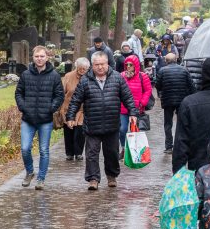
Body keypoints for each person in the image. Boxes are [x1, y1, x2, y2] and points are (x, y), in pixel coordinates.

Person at [66, 52, 137, 190]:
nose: (100, 67)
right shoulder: (85, 80)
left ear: (107, 64)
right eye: (97, 65)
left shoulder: (117, 78)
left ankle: (111, 176)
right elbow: (75, 100)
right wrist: (70, 116)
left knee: (112, 153)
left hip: (112, 124)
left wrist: (133, 113)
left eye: (102, 64)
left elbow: (127, 97)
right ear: (92, 66)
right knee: (92, 153)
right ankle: (93, 179)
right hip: (92, 124)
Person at [14, 45, 65, 190]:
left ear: (47, 57)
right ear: (33, 58)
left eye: (42, 56)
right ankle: (30, 172)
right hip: (28, 119)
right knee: (25, 148)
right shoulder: (26, 74)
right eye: (37, 56)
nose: (39, 59)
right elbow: (18, 93)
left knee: (44, 150)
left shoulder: (54, 75)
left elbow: (59, 95)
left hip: (45, 120)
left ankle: (41, 178)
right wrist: (23, 107)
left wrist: (51, 108)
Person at [154, 52, 195, 152]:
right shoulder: (184, 70)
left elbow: (157, 85)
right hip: (182, 100)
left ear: (166, 61)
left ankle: (169, 146)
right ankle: (180, 145)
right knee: (181, 122)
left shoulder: (162, 71)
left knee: (168, 124)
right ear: (176, 59)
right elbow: (191, 85)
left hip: (168, 100)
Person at [54, 57, 89, 161]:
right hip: (68, 108)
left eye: (84, 69)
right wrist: (58, 107)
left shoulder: (89, 77)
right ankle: (69, 153)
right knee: (69, 131)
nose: (82, 71)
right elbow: (61, 91)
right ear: (76, 67)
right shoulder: (69, 76)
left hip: (82, 109)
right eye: (80, 68)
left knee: (80, 131)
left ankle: (78, 153)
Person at [118, 55, 152, 151]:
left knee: (135, 131)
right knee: (122, 129)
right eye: (127, 64)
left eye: (131, 64)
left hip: (137, 108)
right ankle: (124, 148)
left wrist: (143, 102)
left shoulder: (143, 76)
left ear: (135, 65)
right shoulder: (121, 76)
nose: (128, 66)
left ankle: (134, 150)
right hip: (123, 108)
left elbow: (148, 90)